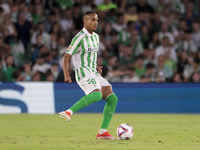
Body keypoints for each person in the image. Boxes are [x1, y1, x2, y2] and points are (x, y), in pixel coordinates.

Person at [59, 11, 118, 140]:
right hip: (82, 73)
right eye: (92, 20)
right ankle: (68, 112)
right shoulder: (79, 38)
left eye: (96, 20)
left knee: (112, 99)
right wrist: (66, 74)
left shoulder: (96, 37)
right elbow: (66, 56)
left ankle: (102, 132)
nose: (96, 23)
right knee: (96, 95)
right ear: (85, 21)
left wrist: (95, 66)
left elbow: (90, 55)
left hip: (93, 72)